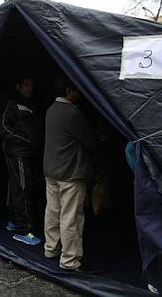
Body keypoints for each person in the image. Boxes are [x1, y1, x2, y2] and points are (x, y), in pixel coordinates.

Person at [43, 78, 98, 271]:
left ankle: (50, 248)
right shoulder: (73, 114)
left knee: (52, 211)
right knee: (71, 217)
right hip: (70, 173)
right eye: (76, 91)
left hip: (51, 170)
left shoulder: (51, 110)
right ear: (69, 91)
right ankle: (69, 260)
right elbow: (91, 141)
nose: (78, 94)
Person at [0, 77, 43, 245]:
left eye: (32, 85)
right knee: (24, 189)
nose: (30, 88)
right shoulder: (13, 104)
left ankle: (14, 220)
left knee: (18, 187)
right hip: (18, 154)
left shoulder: (33, 103)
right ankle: (26, 230)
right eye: (26, 85)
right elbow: (2, 127)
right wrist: (25, 140)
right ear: (18, 86)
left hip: (27, 153)